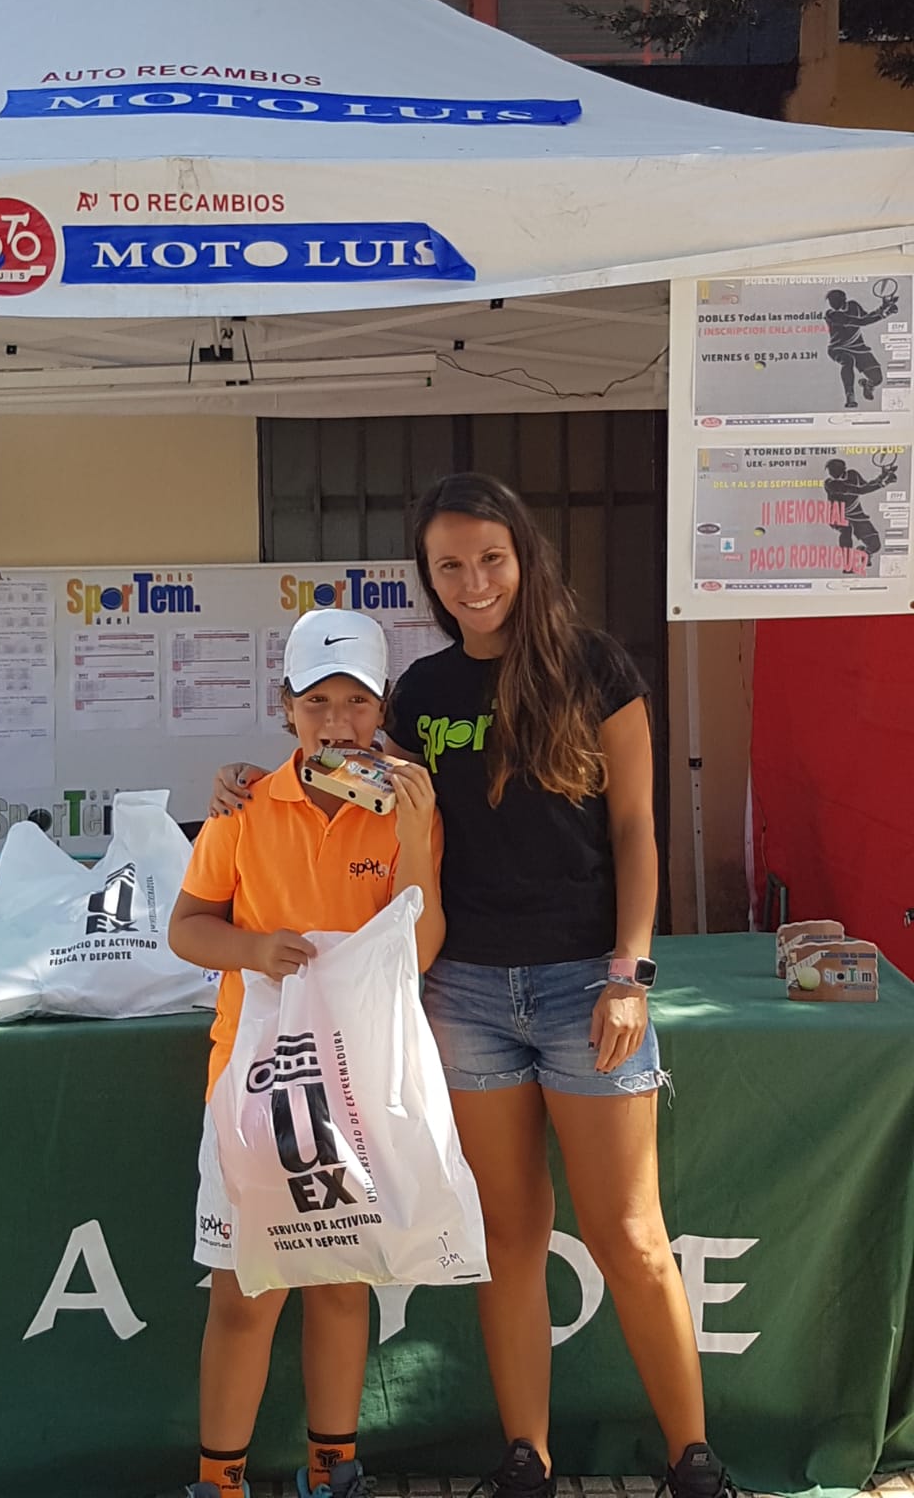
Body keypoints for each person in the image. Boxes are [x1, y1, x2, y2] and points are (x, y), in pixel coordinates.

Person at [211, 474, 737, 1498]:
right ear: (430, 577)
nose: (473, 581)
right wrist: (239, 782)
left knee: (629, 1234)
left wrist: (630, 970)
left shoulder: (597, 668)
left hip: (589, 985)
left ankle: (694, 1461)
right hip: (466, 996)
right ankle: (525, 1459)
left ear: (524, 555)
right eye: (449, 565)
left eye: (490, 558)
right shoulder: (421, 692)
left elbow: (638, 827)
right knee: (511, 1236)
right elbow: (344, 771)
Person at [170, 606, 444, 1498]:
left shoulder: (407, 806)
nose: (337, 723)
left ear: (383, 707)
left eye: (357, 702)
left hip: (359, 1084)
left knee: (340, 1282)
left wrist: (414, 835)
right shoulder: (245, 805)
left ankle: (334, 1471)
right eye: (317, 702)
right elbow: (188, 926)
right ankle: (220, 1481)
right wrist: (254, 949)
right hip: (254, 1085)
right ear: (285, 706)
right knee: (245, 1292)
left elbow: (421, 949)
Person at [824, 287, 896, 408]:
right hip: (838, 348)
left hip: (859, 348)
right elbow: (862, 322)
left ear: (843, 299)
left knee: (877, 379)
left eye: (834, 300)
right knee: (848, 360)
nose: (832, 304)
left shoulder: (854, 305)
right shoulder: (832, 315)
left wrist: (883, 307)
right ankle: (850, 396)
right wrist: (886, 313)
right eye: (830, 301)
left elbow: (866, 317)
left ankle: (868, 385)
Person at [823, 456, 895, 570]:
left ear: (843, 469)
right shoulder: (830, 483)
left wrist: (882, 476)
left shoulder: (853, 474)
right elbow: (860, 490)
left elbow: (866, 486)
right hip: (837, 515)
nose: (831, 473)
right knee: (846, 530)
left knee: (875, 545)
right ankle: (847, 564)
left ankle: (864, 554)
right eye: (830, 471)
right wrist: (884, 482)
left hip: (856, 514)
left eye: (834, 470)